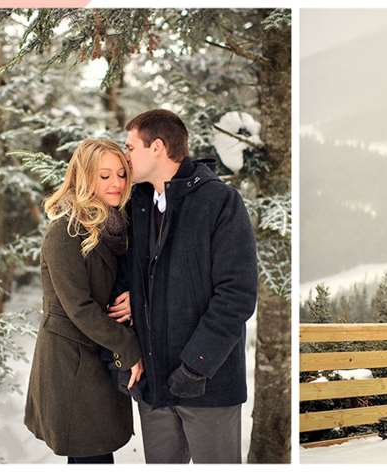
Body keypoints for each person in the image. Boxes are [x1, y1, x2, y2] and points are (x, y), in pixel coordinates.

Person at [109, 109, 258, 463]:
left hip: (208, 383)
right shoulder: (137, 204)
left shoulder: (219, 201)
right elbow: (127, 276)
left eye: (131, 147)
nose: (125, 156)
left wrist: (195, 367)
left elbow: (236, 295)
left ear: (157, 147)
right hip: (154, 386)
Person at [24, 139, 144, 463]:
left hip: (99, 356)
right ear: (83, 177)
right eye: (104, 176)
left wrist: (137, 296)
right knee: (90, 455)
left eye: (121, 174)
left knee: (96, 453)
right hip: (73, 364)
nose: (116, 183)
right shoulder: (65, 232)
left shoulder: (118, 226)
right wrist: (129, 347)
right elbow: (79, 308)